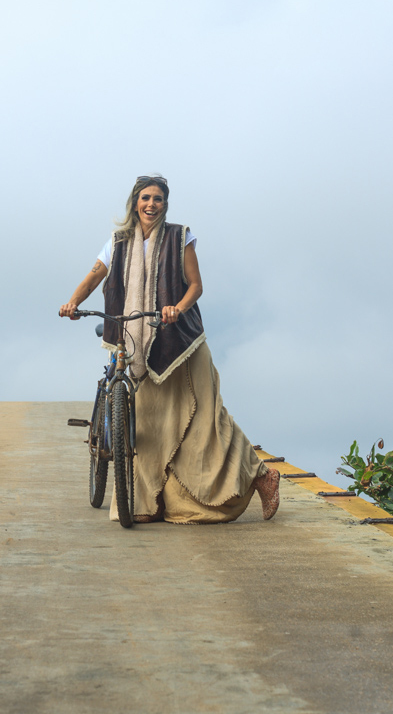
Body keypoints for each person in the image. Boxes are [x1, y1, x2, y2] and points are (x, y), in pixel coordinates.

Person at [58, 174, 280, 524]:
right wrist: (72, 302)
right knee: (146, 426)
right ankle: (146, 504)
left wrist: (178, 306)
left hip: (181, 344)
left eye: (158, 199)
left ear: (165, 204)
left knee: (207, 420)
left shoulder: (180, 237)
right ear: (135, 202)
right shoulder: (117, 243)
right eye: (145, 198)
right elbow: (94, 276)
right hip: (135, 345)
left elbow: (196, 286)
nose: (151, 204)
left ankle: (261, 476)